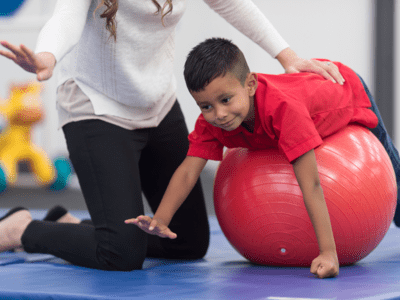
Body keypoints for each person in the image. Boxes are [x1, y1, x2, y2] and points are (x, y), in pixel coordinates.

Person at [0, 0, 344, 271]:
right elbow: (66, 16)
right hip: (96, 108)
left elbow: (231, 3)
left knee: (186, 243)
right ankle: (21, 229)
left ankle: (77, 226)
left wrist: (288, 57)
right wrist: (47, 55)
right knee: (120, 255)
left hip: (158, 105)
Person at [125, 38, 400, 279]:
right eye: (206, 105)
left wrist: (329, 253)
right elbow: (187, 171)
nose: (218, 114)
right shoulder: (212, 124)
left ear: (251, 85)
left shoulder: (283, 111)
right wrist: (161, 218)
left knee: (388, 156)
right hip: (305, 91)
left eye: (226, 99)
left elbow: (312, 184)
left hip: (344, 87)